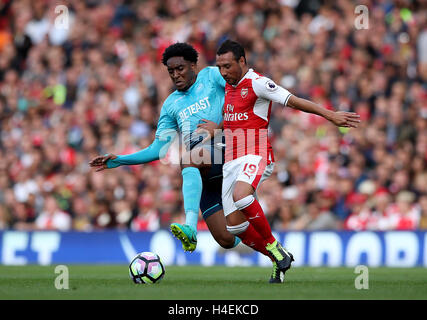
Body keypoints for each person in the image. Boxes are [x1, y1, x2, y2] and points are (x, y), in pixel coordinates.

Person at [90, 42, 286, 283]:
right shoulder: (171, 104)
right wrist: (120, 160)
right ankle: (278, 254)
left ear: (194, 65)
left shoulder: (211, 76)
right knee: (226, 238)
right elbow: (158, 148)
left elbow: (241, 93)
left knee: (188, 158)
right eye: (171, 71)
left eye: (180, 68)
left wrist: (226, 125)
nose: (176, 75)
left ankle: (190, 228)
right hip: (205, 175)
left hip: (228, 151)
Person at [215, 40, 361, 280]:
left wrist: (330, 115)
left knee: (242, 195)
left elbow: (293, 100)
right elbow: (233, 118)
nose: (223, 72)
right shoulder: (229, 84)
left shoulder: (258, 83)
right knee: (235, 227)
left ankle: (273, 245)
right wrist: (215, 128)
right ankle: (278, 258)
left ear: (242, 61)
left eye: (227, 66)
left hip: (256, 153)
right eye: (219, 66)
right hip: (231, 159)